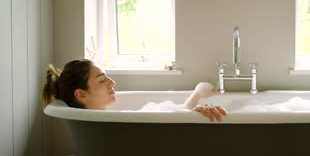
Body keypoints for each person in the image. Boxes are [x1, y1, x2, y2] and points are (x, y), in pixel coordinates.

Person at [41, 59, 227, 121]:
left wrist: (197, 95)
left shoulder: (118, 119)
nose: (112, 83)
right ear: (81, 95)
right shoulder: (113, 128)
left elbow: (172, 117)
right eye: (102, 80)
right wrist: (191, 117)